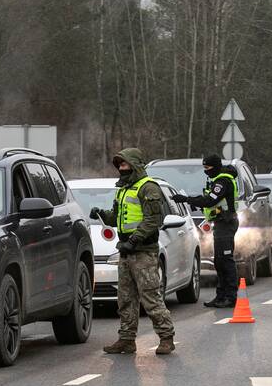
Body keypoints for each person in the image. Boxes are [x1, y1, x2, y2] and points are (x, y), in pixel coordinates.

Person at [89, 148, 175, 355]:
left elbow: (153, 219)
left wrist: (135, 239)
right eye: (119, 165)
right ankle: (126, 339)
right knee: (125, 298)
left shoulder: (148, 188)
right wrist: (101, 214)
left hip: (144, 251)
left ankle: (166, 337)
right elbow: (115, 217)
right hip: (126, 251)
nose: (121, 168)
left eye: (124, 164)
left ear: (135, 165)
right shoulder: (123, 189)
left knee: (150, 297)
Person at [172, 154, 239, 308]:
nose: (206, 171)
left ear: (215, 166)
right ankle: (221, 296)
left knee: (226, 261)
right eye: (204, 168)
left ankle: (231, 296)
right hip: (221, 223)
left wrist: (186, 199)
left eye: (207, 168)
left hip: (226, 223)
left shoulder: (223, 181)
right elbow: (209, 200)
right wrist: (196, 202)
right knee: (219, 261)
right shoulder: (217, 180)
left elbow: (210, 200)